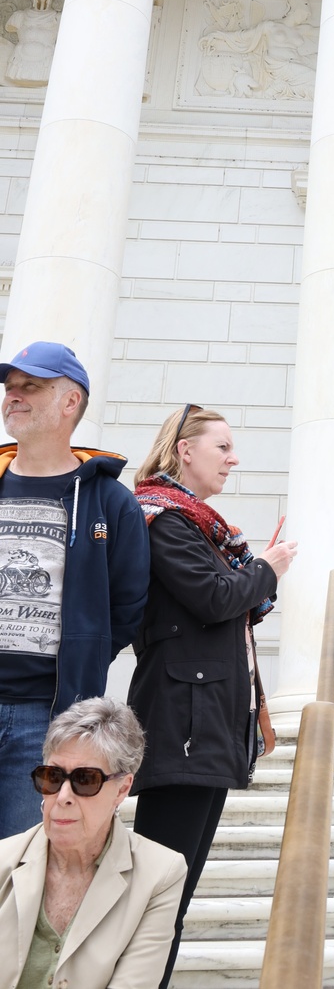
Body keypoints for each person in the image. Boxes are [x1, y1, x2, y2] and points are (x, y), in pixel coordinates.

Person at [126, 405, 297, 987]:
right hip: (182, 726)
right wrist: (268, 568)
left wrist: (255, 575)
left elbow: (226, 598)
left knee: (169, 895)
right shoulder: (165, 517)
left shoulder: (194, 522)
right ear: (184, 451)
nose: (234, 458)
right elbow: (212, 596)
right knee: (158, 897)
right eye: (222, 447)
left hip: (200, 726)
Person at [0, 341, 149, 840]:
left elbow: (127, 607)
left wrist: (83, 660)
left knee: (26, 865)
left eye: (30, 386)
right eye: (10, 387)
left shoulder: (111, 501)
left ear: (70, 402)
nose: (13, 396)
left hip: (46, 718)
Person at [0, 696, 186, 989]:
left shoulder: (160, 874)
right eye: (52, 776)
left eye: (85, 780)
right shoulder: (3, 859)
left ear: (122, 788)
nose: (62, 796)